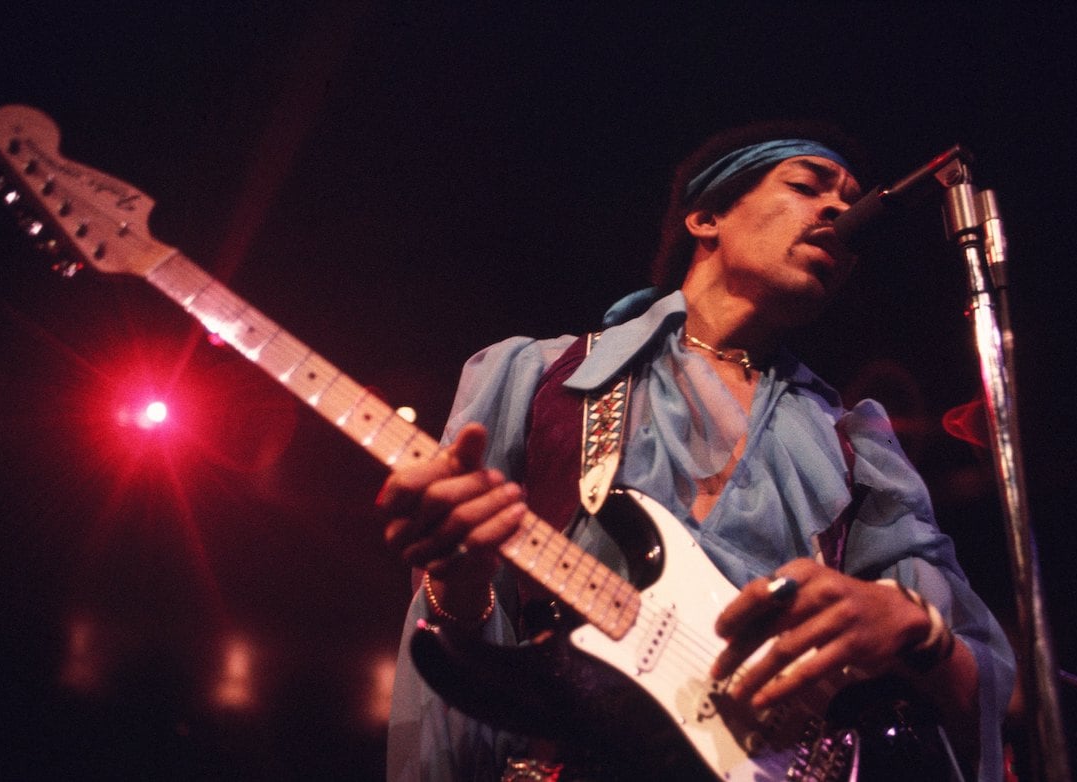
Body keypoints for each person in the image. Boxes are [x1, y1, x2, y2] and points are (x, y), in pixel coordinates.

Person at [378, 121, 1015, 781]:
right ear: (706, 218)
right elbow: (462, 643)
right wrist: (457, 578)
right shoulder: (541, 377)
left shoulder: (855, 445)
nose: (838, 211)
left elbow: (980, 694)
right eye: (807, 186)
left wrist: (916, 627)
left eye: (851, 203)